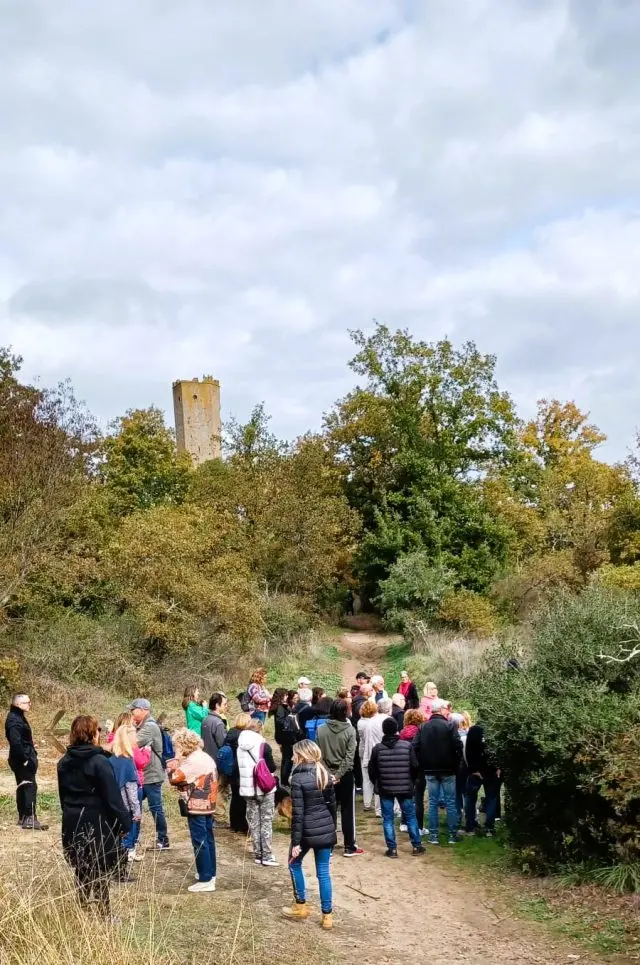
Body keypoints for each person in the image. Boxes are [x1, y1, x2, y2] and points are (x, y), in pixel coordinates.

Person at [58, 715, 132, 917]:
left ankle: (81, 908)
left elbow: (63, 796)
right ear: (93, 734)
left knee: (81, 866)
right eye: (98, 729)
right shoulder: (98, 761)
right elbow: (112, 797)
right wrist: (125, 822)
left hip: (72, 818)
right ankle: (104, 913)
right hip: (96, 819)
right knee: (99, 868)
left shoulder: (64, 761)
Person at [282, 739, 337, 930]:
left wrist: (296, 842)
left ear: (301, 755)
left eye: (294, 753)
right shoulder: (325, 774)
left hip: (305, 831)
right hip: (325, 829)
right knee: (323, 873)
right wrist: (332, 831)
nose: (291, 757)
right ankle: (327, 916)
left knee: (293, 863)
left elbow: (298, 812)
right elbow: (332, 806)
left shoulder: (298, 778)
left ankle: (300, 905)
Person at [168, 727, 218, 893]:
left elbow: (175, 778)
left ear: (183, 745)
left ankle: (205, 878)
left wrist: (175, 762)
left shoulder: (193, 761)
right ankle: (210, 873)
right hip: (208, 803)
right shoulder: (204, 756)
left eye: (177, 745)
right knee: (208, 839)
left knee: (200, 840)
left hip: (197, 803)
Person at [368, 718, 424, 857]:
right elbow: (415, 766)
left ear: (383, 730)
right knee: (410, 816)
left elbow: (372, 769)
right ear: (396, 729)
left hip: (385, 787)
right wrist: (411, 781)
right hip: (405, 787)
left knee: (388, 818)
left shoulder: (377, 749)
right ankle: (416, 845)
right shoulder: (406, 746)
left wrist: (377, 782)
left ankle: (392, 849)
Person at [411, 697, 462, 845]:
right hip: (448, 769)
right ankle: (452, 835)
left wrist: (421, 763)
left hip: (429, 769)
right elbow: (458, 745)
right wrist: (456, 763)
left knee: (433, 803)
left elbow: (414, 746)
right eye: (445, 709)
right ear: (441, 710)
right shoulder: (450, 726)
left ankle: (433, 836)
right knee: (450, 802)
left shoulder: (423, 727)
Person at [316, 698, 363, 858]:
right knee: (347, 810)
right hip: (345, 775)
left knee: (328, 810)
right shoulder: (350, 731)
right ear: (346, 711)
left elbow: (318, 755)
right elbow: (350, 758)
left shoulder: (321, 730)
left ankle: (327, 846)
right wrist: (338, 775)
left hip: (326, 774)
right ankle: (349, 845)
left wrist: (329, 774)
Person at [130, 698, 170, 850]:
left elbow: (132, 743)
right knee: (136, 806)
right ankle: (134, 837)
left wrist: (125, 732)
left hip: (151, 775)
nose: (131, 713)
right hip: (144, 774)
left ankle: (163, 839)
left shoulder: (149, 727)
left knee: (155, 808)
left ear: (142, 710)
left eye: (133, 710)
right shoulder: (143, 725)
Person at [237, 718, 278, 866]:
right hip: (264, 788)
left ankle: (257, 853)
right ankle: (266, 855)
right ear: (260, 729)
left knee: (254, 822)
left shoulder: (240, 745)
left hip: (248, 788)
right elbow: (272, 767)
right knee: (266, 821)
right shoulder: (263, 745)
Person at [4, 693, 47, 830]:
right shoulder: (14, 720)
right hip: (22, 759)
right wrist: (25, 760)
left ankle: (23, 817)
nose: (30, 704)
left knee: (23, 786)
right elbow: (16, 742)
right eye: (27, 702)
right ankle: (29, 818)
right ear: (18, 704)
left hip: (22, 757)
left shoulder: (17, 717)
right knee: (30, 786)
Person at [108, 723, 141, 874]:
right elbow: (131, 790)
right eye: (134, 735)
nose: (137, 738)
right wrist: (136, 811)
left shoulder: (111, 760)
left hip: (112, 805)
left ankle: (114, 867)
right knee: (125, 839)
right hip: (125, 807)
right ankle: (120, 871)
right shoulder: (127, 761)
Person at [464, 720, 500, 837]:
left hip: (477, 770)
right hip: (491, 770)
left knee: (470, 798)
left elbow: (468, 750)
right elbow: (499, 751)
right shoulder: (496, 729)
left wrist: (472, 769)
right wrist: (499, 767)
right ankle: (489, 828)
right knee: (492, 798)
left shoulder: (474, 730)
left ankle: (470, 827)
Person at [357, 699, 386, 814]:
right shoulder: (374, 723)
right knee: (377, 778)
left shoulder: (360, 722)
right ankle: (378, 806)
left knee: (366, 779)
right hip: (372, 752)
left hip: (363, 751)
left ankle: (367, 803)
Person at [223, 712, 250, 834]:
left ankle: (234, 824)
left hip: (231, 769)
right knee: (243, 799)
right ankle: (243, 825)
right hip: (241, 769)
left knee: (235, 797)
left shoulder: (230, 733)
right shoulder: (244, 736)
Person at [202, 693, 228, 763]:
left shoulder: (205, 720)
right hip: (216, 760)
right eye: (224, 704)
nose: (226, 706)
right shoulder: (218, 723)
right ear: (217, 705)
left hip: (206, 759)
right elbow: (222, 744)